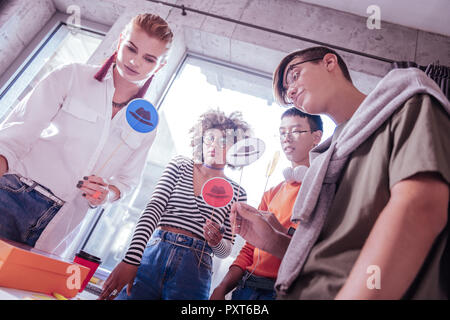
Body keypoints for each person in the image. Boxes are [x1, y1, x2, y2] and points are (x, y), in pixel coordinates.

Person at [232, 46, 449, 299]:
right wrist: (274, 241)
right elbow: (335, 254)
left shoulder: (407, 100)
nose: (290, 91)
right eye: (286, 93)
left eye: (294, 75)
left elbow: (421, 208)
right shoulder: (324, 163)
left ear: (329, 62)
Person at [0, 13, 173, 255]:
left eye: (148, 59)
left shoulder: (147, 124)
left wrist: (105, 194)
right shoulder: (71, 75)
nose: (135, 62)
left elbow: (126, 183)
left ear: (160, 66)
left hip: (60, 227)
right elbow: (14, 137)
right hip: (13, 194)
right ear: (120, 40)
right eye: (131, 49)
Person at [99, 109, 250, 300]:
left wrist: (216, 242)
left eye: (223, 141)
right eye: (210, 138)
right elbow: (153, 209)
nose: (213, 145)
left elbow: (225, 250)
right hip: (153, 255)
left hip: (195, 271)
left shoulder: (237, 193)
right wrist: (131, 259)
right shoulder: (180, 165)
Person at [210, 107, 322, 300]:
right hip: (246, 287)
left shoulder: (323, 192)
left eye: (295, 131)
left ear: (316, 137)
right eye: (282, 132)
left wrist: (278, 230)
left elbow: (317, 254)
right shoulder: (272, 193)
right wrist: (222, 287)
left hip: (284, 292)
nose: (286, 137)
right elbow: (249, 249)